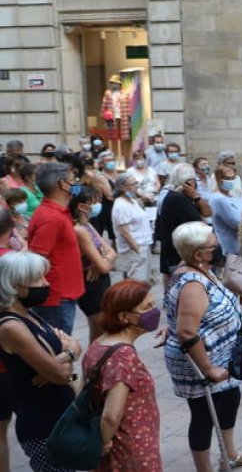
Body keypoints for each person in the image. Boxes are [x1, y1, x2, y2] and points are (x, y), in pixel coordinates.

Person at [163, 222, 242, 471]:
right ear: (197, 254)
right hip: (202, 363)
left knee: (229, 402)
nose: (218, 249)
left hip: (222, 357)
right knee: (204, 415)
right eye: (213, 246)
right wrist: (209, 370)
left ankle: (230, 456)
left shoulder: (199, 268)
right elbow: (186, 330)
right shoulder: (192, 282)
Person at [0, 251, 79, 472]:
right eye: (38, 278)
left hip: (59, 416)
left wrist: (64, 357)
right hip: (43, 426)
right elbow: (61, 374)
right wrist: (65, 359)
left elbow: (73, 346)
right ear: (15, 285)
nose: (45, 283)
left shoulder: (29, 314)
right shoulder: (11, 326)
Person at [83, 279, 163, 471]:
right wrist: (103, 441)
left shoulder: (99, 344)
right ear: (124, 316)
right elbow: (111, 415)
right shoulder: (122, 357)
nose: (154, 311)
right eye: (147, 307)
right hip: (130, 449)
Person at [26, 162, 86, 333]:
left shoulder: (57, 213)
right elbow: (37, 259)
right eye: (72, 179)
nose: (76, 183)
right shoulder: (51, 218)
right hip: (56, 299)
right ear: (62, 184)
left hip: (63, 296)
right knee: (59, 349)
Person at [70, 186, 117, 344]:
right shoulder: (78, 229)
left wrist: (103, 259)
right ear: (83, 206)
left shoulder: (88, 225)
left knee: (99, 332)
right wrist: (103, 260)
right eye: (95, 201)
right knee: (100, 332)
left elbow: (112, 252)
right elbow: (104, 264)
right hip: (91, 285)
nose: (98, 205)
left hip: (101, 281)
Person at [156, 165, 210, 287]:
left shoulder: (186, 196)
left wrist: (196, 197)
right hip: (178, 254)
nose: (194, 183)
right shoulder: (176, 198)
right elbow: (200, 224)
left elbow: (207, 212)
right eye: (192, 180)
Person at [208, 165, 242, 259]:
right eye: (227, 178)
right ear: (218, 179)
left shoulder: (233, 196)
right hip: (228, 249)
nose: (230, 181)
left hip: (238, 247)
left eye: (233, 178)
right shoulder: (218, 199)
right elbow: (237, 222)